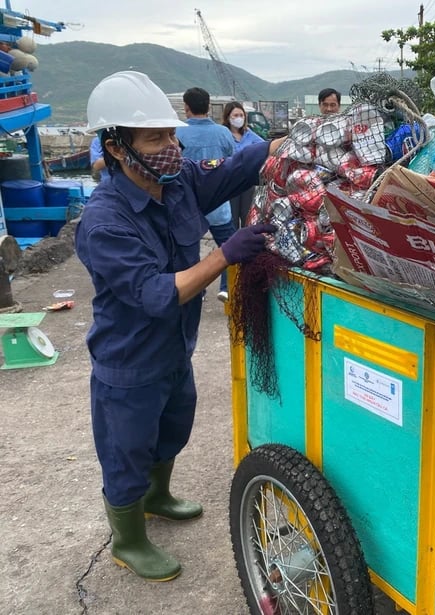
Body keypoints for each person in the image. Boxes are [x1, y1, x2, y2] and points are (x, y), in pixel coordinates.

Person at [75, 70, 279, 582]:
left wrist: (282, 144)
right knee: (127, 449)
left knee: (174, 424)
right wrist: (225, 255)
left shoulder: (179, 181)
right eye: (155, 138)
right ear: (117, 147)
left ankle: (158, 494)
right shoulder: (105, 220)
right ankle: (128, 539)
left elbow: (235, 170)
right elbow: (154, 294)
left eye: (171, 135)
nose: (171, 146)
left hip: (175, 349)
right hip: (130, 358)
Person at [175, 87, 238, 302]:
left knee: (188, 248)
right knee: (228, 246)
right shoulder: (223, 133)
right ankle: (227, 287)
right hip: (219, 204)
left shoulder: (177, 132)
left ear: (186, 107)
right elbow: (233, 161)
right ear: (209, 106)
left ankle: (195, 290)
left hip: (187, 204)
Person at [222, 101, 264, 228]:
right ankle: (232, 244)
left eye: (241, 115)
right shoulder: (224, 134)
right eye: (235, 115)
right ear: (228, 117)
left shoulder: (249, 134)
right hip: (230, 182)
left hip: (247, 182)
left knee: (247, 215)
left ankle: (246, 244)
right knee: (232, 216)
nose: (239, 118)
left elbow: (263, 147)